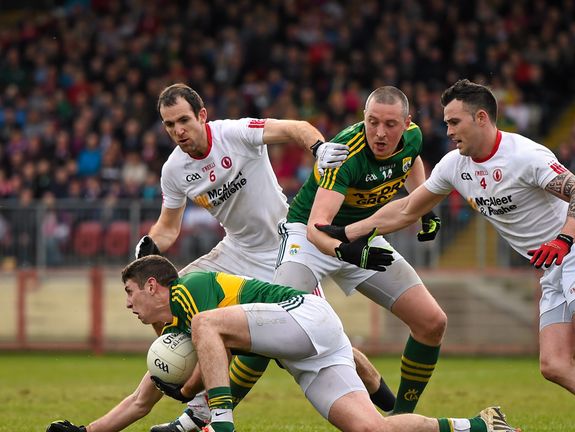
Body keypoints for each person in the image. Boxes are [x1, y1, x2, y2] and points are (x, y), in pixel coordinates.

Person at [316, 80, 575, 432]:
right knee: (555, 364)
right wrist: (347, 232)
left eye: (454, 122)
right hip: (552, 267)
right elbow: (408, 208)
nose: (447, 132)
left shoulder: (526, 156)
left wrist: (563, 240)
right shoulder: (453, 165)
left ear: (481, 118)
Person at [134, 83, 394, 432]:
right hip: (236, 251)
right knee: (168, 297)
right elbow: (168, 227)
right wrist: (151, 243)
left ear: (202, 116)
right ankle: (193, 411)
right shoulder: (174, 170)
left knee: (314, 343)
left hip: (284, 249)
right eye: (169, 125)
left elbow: (292, 128)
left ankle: (373, 381)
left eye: (183, 120)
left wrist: (318, 148)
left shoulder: (234, 133)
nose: (178, 130)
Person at [45, 255, 520, 432]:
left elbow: (205, 348)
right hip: (309, 349)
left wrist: (191, 396)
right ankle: (479, 426)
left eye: (129, 292)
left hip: (305, 315)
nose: (127, 304)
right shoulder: (180, 330)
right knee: (372, 430)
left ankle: (220, 426)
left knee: (209, 328)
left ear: (153, 287)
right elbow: (140, 399)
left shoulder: (193, 293)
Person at [272, 85, 447, 414]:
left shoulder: (413, 137)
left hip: (361, 233)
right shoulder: (344, 152)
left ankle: (401, 417)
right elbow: (317, 228)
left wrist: (423, 204)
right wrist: (349, 252)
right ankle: (210, 416)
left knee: (432, 321)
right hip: (309, 237)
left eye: (390, 125)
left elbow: (411, 162)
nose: (380, 133)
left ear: (407, 122)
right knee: (277, 323)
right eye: (372, 122)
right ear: (363, 118)